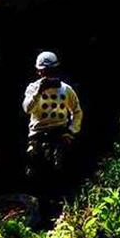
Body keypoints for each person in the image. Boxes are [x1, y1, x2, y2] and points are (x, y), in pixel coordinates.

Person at [22, 51, 83, 214]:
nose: (48, 75)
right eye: (44, 71)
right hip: (37, 136)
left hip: (59, 135)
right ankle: (39, 213)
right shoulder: (33, 88)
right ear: (38, 72)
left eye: (51, 71)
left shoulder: (66, 90)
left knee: (61, 172)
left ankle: (62, 212)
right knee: (35, 174)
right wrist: (38, 92)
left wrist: (71, 132)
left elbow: (77, 111)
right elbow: (27, 109)